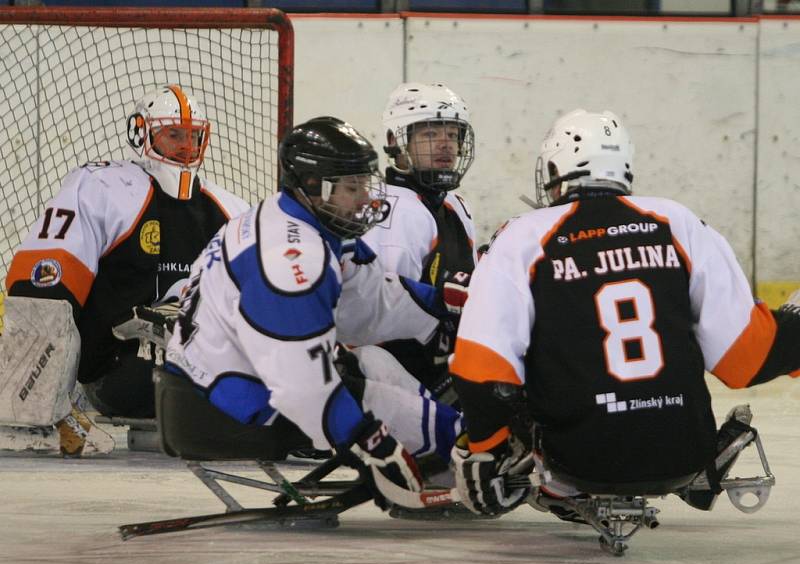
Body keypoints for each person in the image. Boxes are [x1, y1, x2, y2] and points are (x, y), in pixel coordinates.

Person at [449, 108, 800, 517]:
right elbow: (745, 357)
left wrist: (485, 451)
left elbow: (482, 367)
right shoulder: (678, 222)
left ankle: (559, 489)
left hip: (576, 461)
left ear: (553, 170)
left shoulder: (524, 236)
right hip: (685, 455)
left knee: (522, 361)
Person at [162, 117, 464, 506]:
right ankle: (463, 455)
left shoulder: (300, 221)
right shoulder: (289, 263)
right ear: (312, 187)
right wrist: (371, 445)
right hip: (220, 410)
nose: (366, 199)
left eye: (363, 183)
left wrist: (440, 312)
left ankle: (451, 453)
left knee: (373, 361)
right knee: (372, 398)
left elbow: (369, 302)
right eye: (351, 187)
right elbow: (301, 386)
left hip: (223, 378)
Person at [0, 84, 249, 456]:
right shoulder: (104, 187)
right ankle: (28, 413)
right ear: (143, 133)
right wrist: (41, 395)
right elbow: (44, 276)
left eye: (194, 137)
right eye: (173, 135)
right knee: (45, 291)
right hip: (118, 370)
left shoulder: (232, 210)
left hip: (200, 364)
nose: (185, 147)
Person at [359, 83, 477, 404]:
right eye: (429, 135)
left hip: (441, 368)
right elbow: (379, 324)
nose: (445, 146)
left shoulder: (455, 205)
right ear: (395, 141)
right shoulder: (395, 211)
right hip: (400, 381)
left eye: (452, 135)